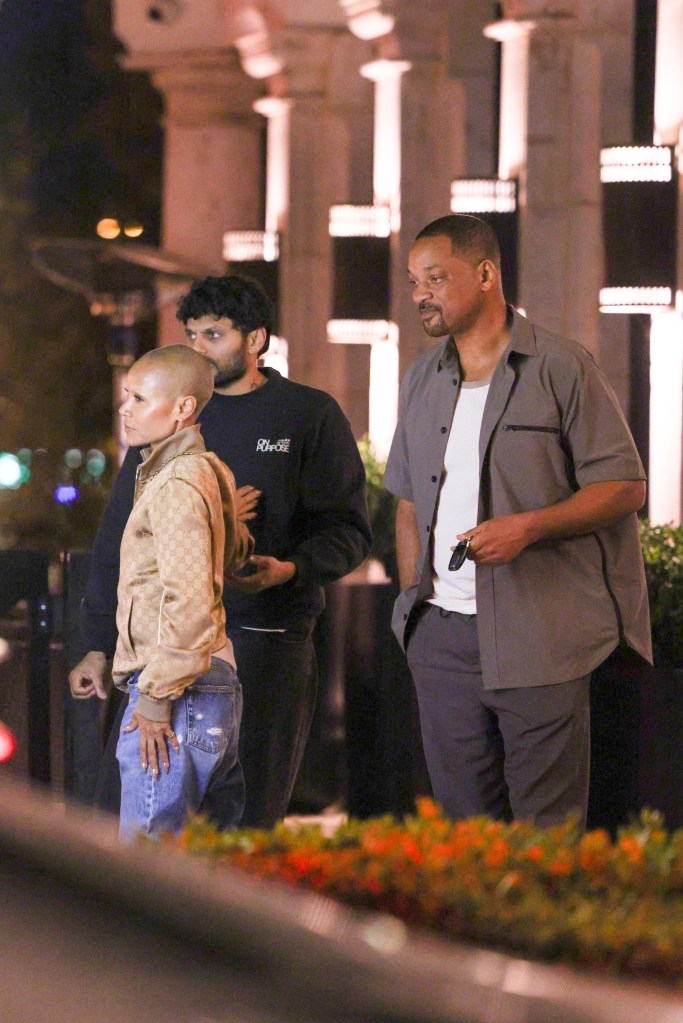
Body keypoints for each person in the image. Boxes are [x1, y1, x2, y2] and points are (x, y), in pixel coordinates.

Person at [69, 275, 371, 828]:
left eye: (213, 334)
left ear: (255, 339)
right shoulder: (165, 424)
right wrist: (96, 643)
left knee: (242, 823)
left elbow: (349, 531)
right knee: (139, 819)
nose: (199, 347)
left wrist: (289, 568)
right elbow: (117, 540)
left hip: (265, 643)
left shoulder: (308, 415)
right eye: (190, 334)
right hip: (163, 657)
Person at [384, 214, 652, 829]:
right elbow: (405, 503)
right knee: (463, 833)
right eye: (412, 280)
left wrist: (526, 527)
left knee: (546, 832)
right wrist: (412, 608)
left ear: (485, 275)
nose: (420, 294)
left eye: (435, 277)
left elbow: (624, 486)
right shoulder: (422, 376)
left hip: (542, 635)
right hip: (442, 640)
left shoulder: (562, 366)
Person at [111, 344, 252, 838]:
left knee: (151, 868)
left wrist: (153, 696)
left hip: (178, 690)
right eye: (127, 396)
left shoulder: (175, 481)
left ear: (183, 408)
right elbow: (236, 560)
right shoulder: (209, 469)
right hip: (208, 683)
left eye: (140, 399)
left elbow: (190, 606)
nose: (126, 409)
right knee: (208, 873)